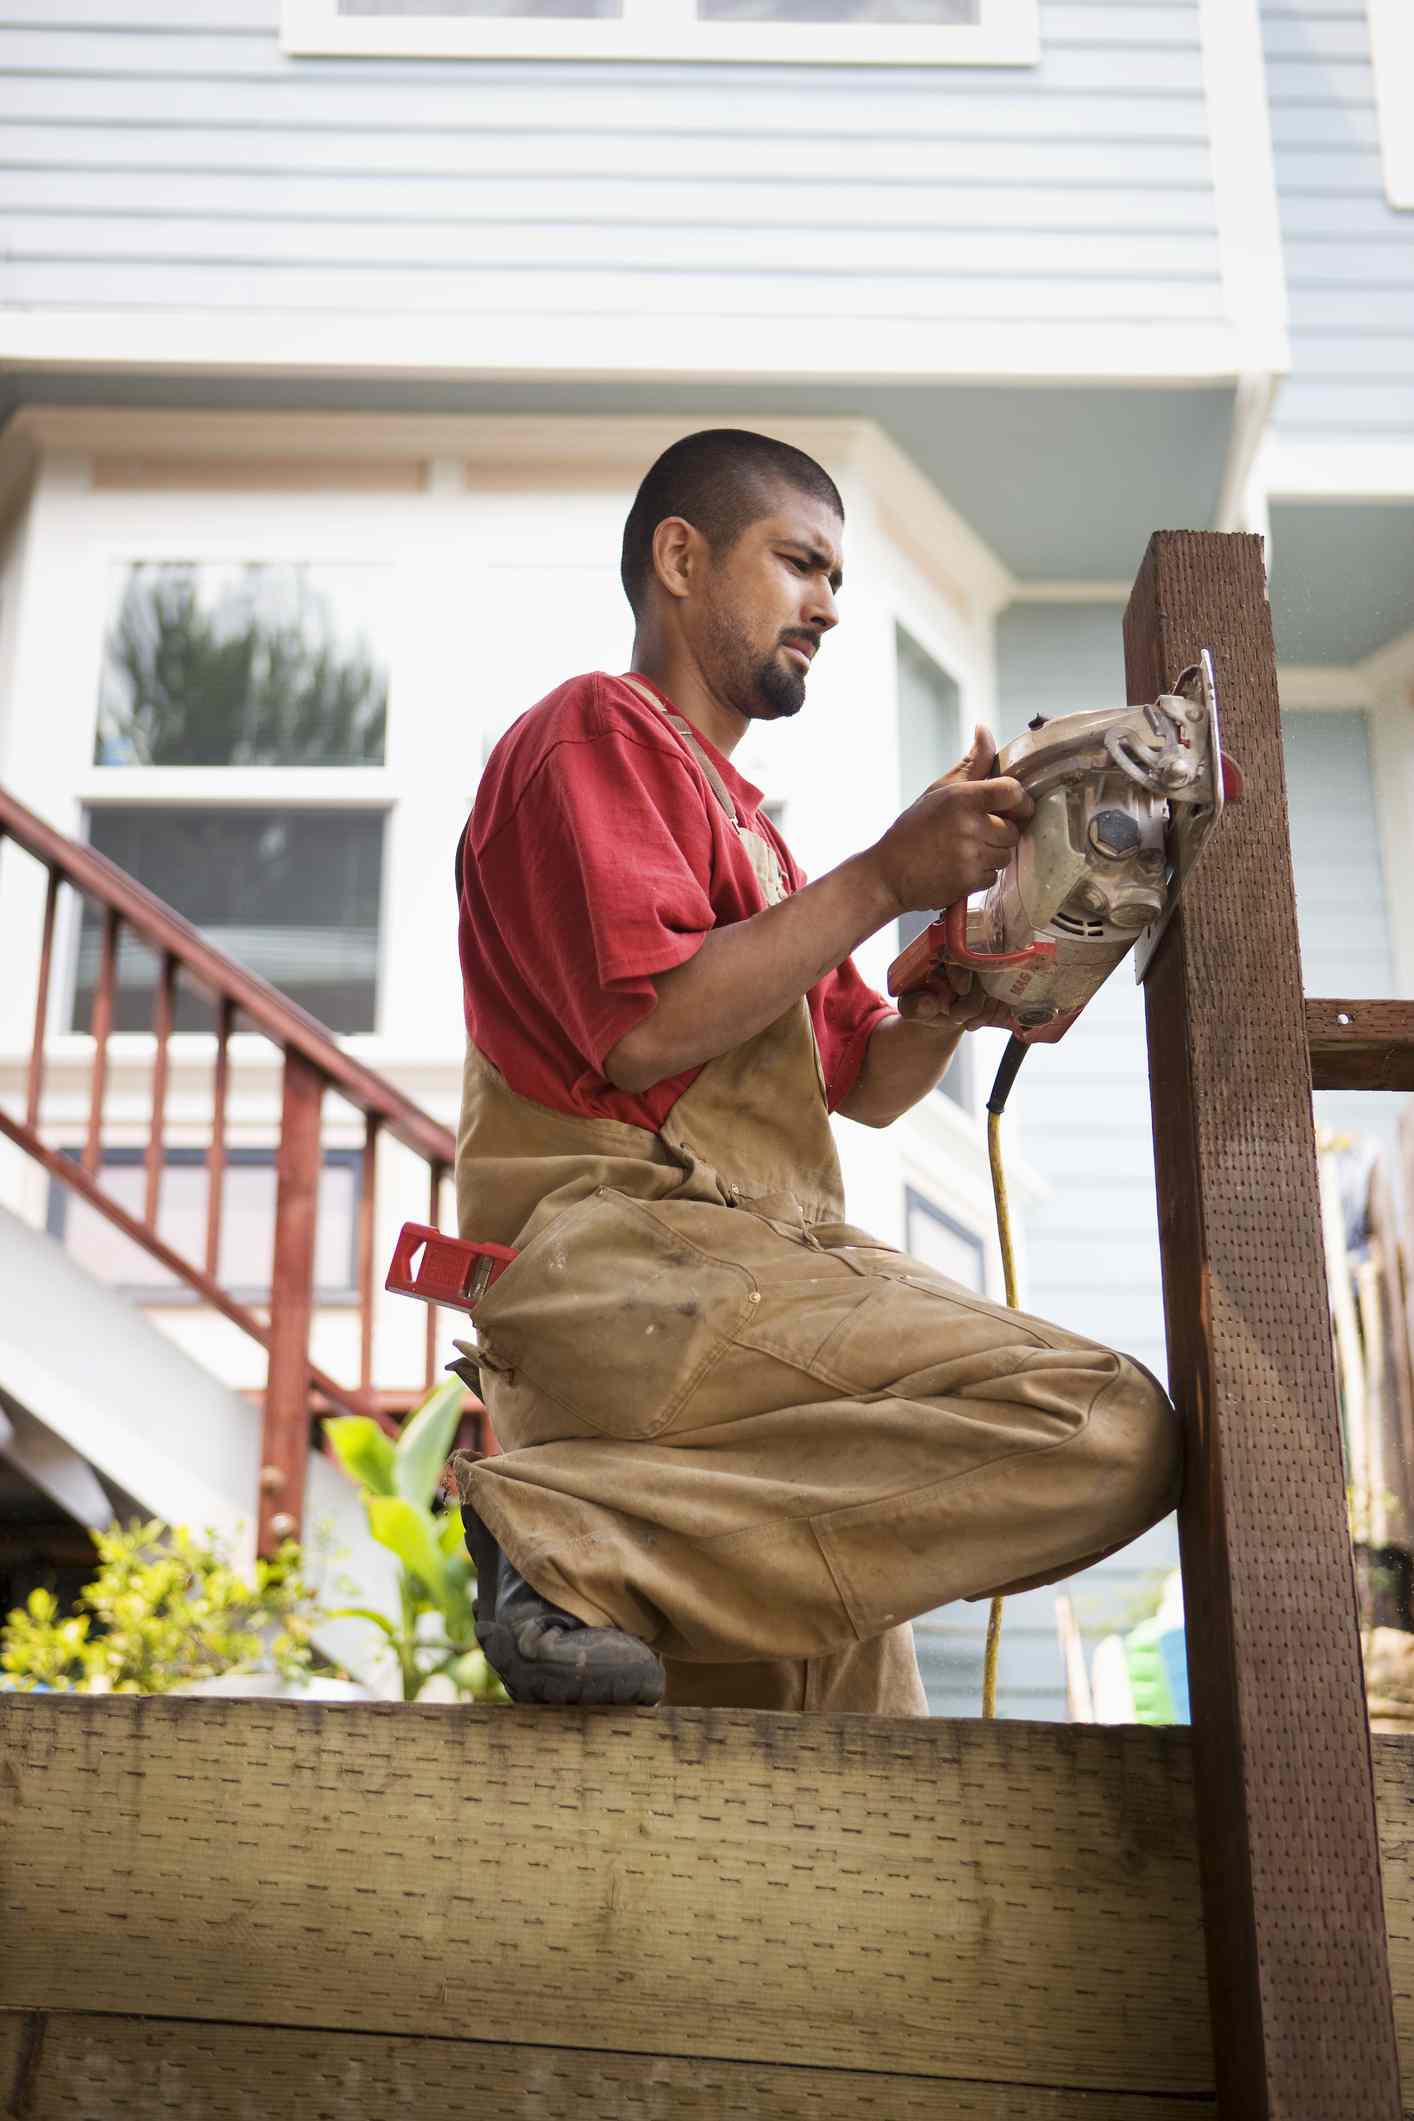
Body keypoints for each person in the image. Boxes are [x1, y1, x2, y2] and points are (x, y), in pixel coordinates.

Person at [450, 428, 1181, 1715]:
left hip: (749, 1356)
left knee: (838, 1805)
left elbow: (870, 1085)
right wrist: (889, 877)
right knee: (1102, 1426)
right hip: (636, 1274)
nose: (830, 608)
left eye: (837, 578)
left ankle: (585, 1551)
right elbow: (648, 1032)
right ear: (680, 557)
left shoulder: (762, 849)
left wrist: (967, 966)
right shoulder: (595, 735)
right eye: (800, 563)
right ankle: (562, 1533)